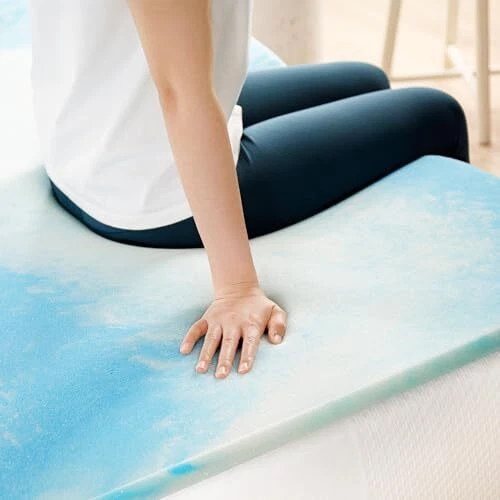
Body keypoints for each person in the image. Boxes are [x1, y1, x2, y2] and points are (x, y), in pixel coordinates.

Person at [29, 0, 469, 379]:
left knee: (367, 81)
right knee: (438, 116)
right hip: (151, 188)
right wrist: (236, 288)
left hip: (92, 141)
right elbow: (181, 96)